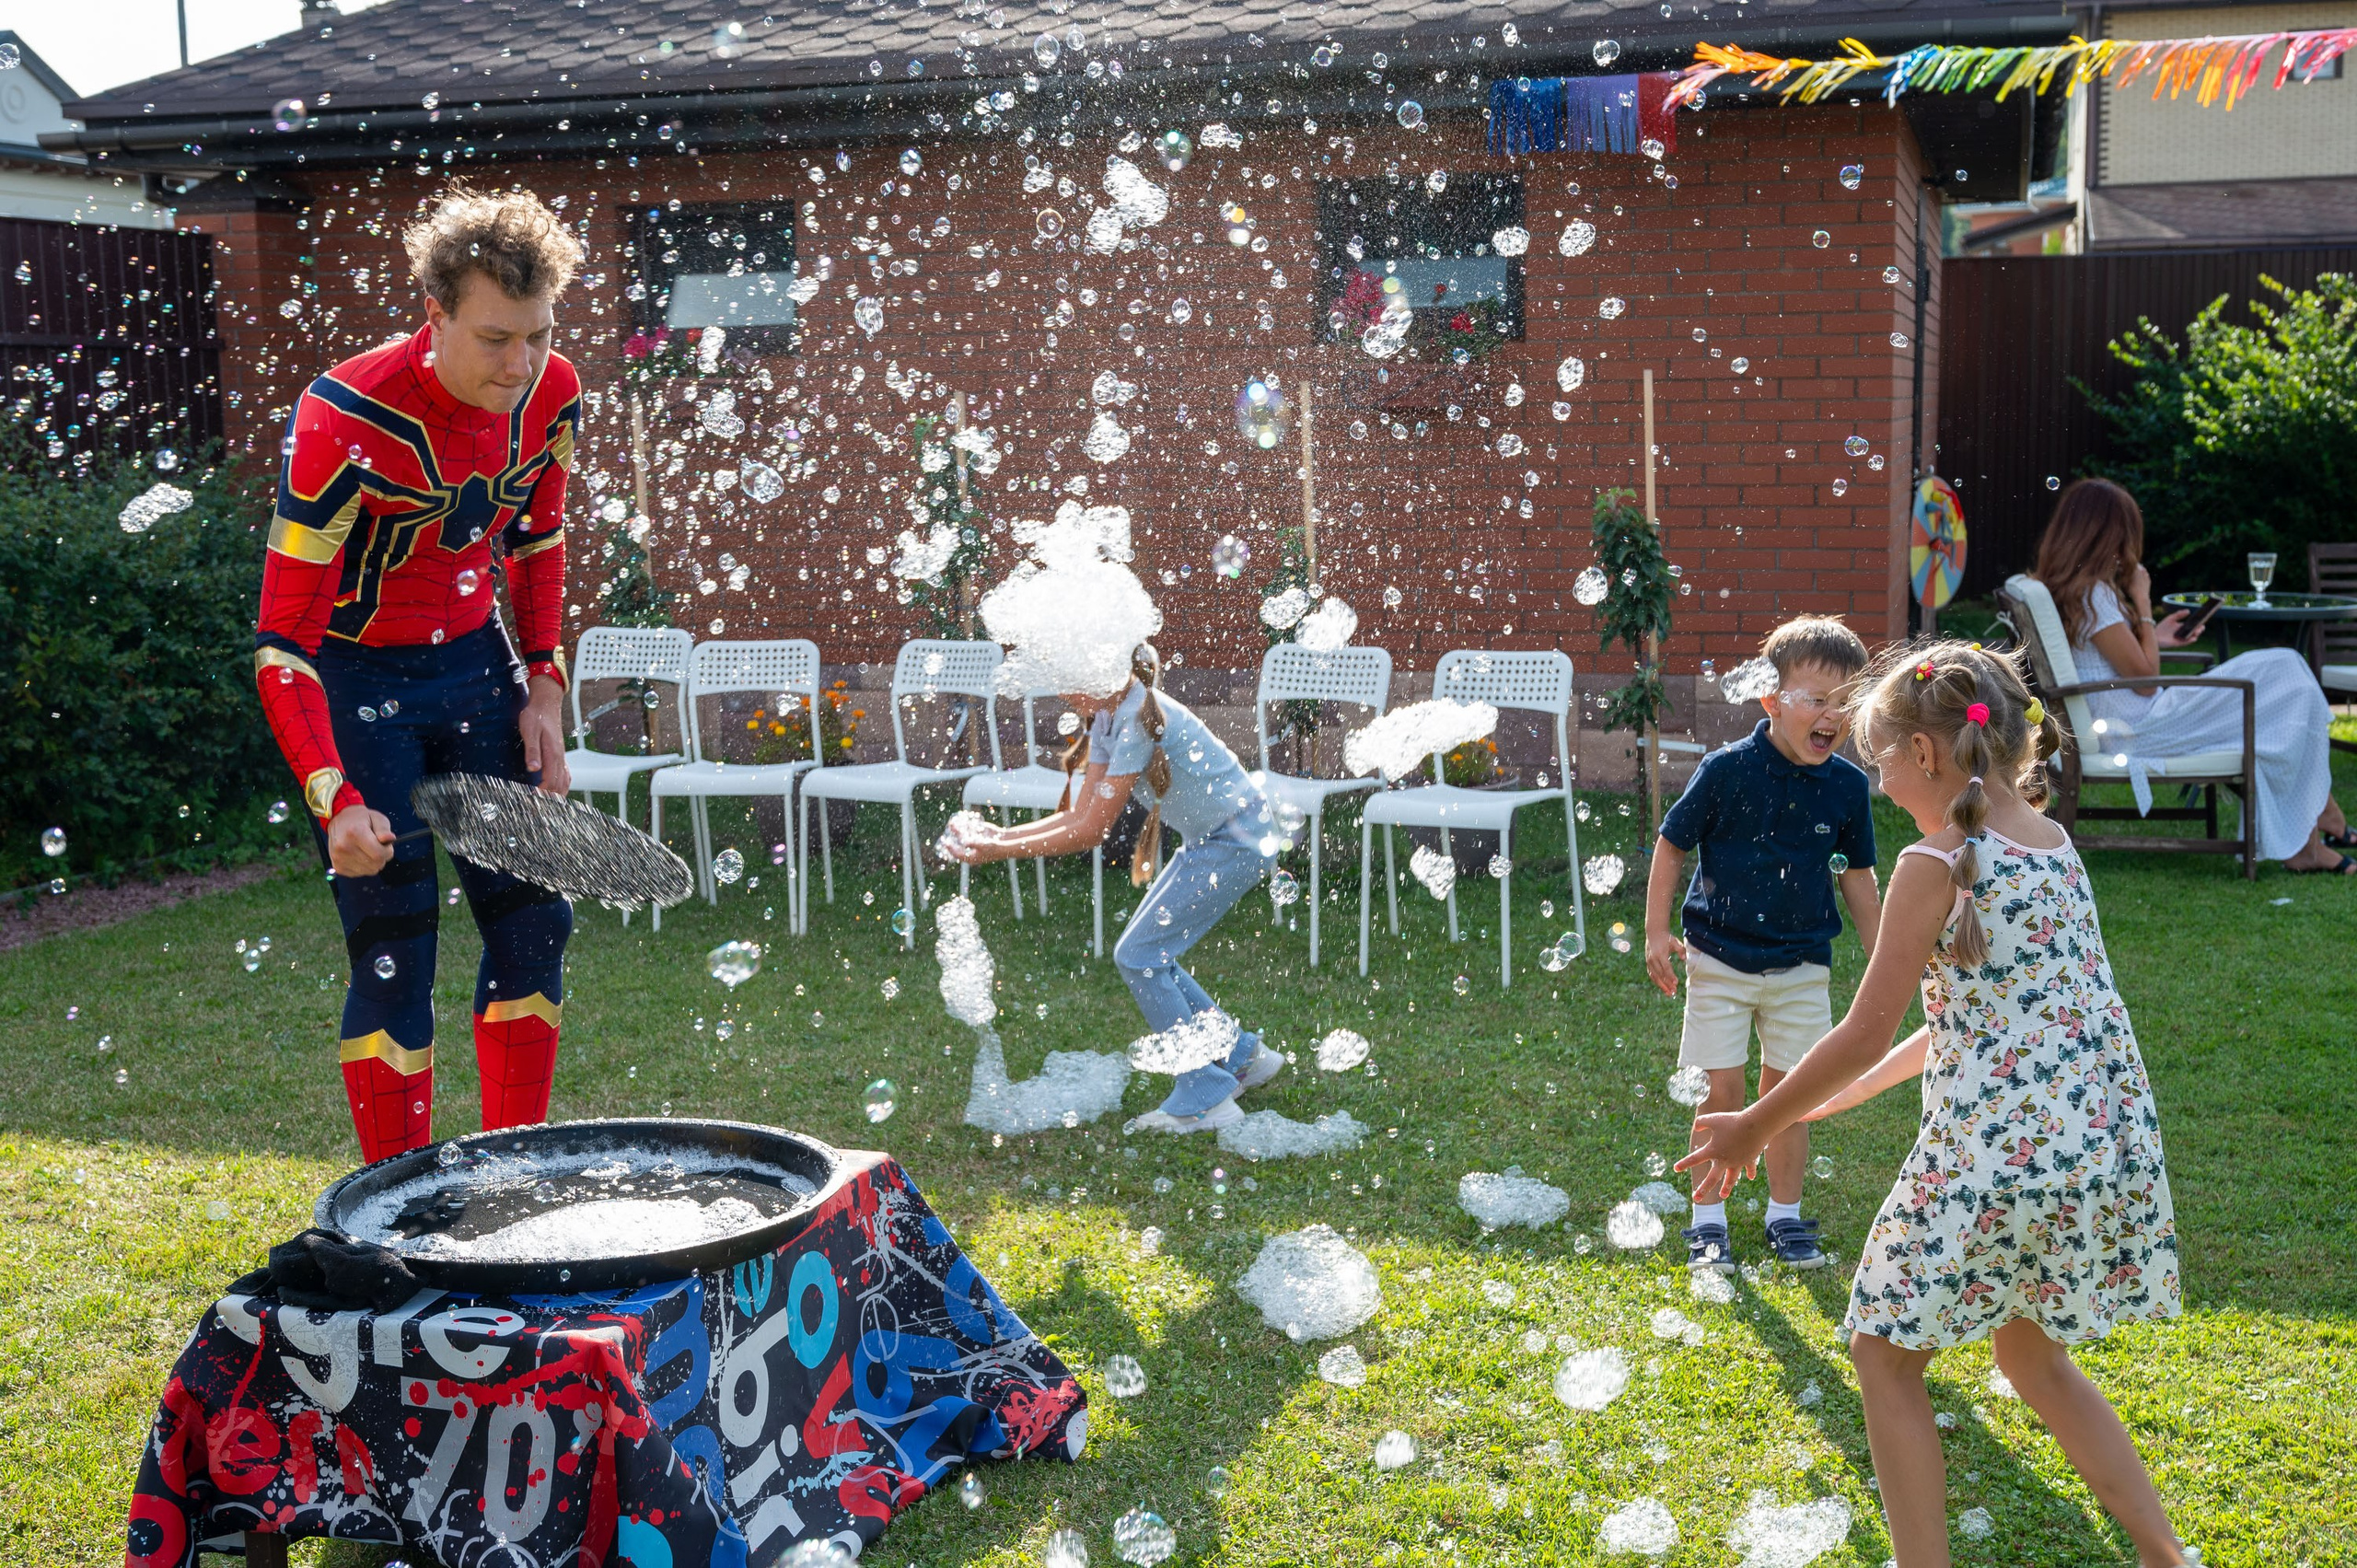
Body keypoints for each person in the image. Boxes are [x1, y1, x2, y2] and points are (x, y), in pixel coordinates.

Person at [1680, 643, 2189, 1568]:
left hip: (1992, 1157)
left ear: (1923, 754)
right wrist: (1831, 1101)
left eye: (1877, 756)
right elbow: (1985, 1018)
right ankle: (2166, 1554)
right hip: (2090, 1141)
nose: (1870, 778)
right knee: (2031, 1359)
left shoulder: (1931, 859)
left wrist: (1752, 1123)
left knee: (1881, 1351)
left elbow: (1863, 1028)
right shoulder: (2048, 840)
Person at [253, 184, 583, 1162]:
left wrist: (546, 684)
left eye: (534, 334)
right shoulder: (341, 413)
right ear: (432, 313)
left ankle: (509, 1184)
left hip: (478, 670)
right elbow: (282, 638)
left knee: (535, 925)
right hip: (357, 688)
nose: (519, 364)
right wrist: (333, 794)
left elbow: (538, 538)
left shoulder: (553, 390)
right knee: (397, 949)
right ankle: (397, 1214)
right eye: (493, 339)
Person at [942, 506, 1286, 1133]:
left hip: (1234, 840)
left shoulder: (1132, 717)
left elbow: (1089, 831)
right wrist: (999, 835)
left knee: (1140, 953)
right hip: (1222, 836)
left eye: (1064, 671)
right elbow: (1080, 813)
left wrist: (997, 848)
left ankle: (1206, 1088)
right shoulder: (1111, 714)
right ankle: (1241, 1055)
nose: (1061, 688)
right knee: (1153, 950)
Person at [1645, 616, 1883, 1273]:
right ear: (1771, 700)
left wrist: (1886, 954)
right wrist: (1655, 930)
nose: (1831, 715)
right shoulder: (1726, 771)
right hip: (1718, 958)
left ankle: (1784, 1215)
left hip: (1803, 963)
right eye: (1816, 698)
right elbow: (1672, 843)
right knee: (1722, 1088)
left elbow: (1858, 878)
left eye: (1845, 702)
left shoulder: (1847, 787)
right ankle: (1707, 1221)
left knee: (1788, 1093)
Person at [2034, 478, 2350, 872]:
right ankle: (2318, 828)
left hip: (2121, 717)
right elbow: (2147, 682)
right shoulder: (2094, 593)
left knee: (2286, 680)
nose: (2128, 549)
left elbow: (2106, 659)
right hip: (2139, 724)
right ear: (2106, 535)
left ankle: (2320, 822)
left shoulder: (2071, 589)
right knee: (2285, 670)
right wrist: (2145, 604)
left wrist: (2157, 639)